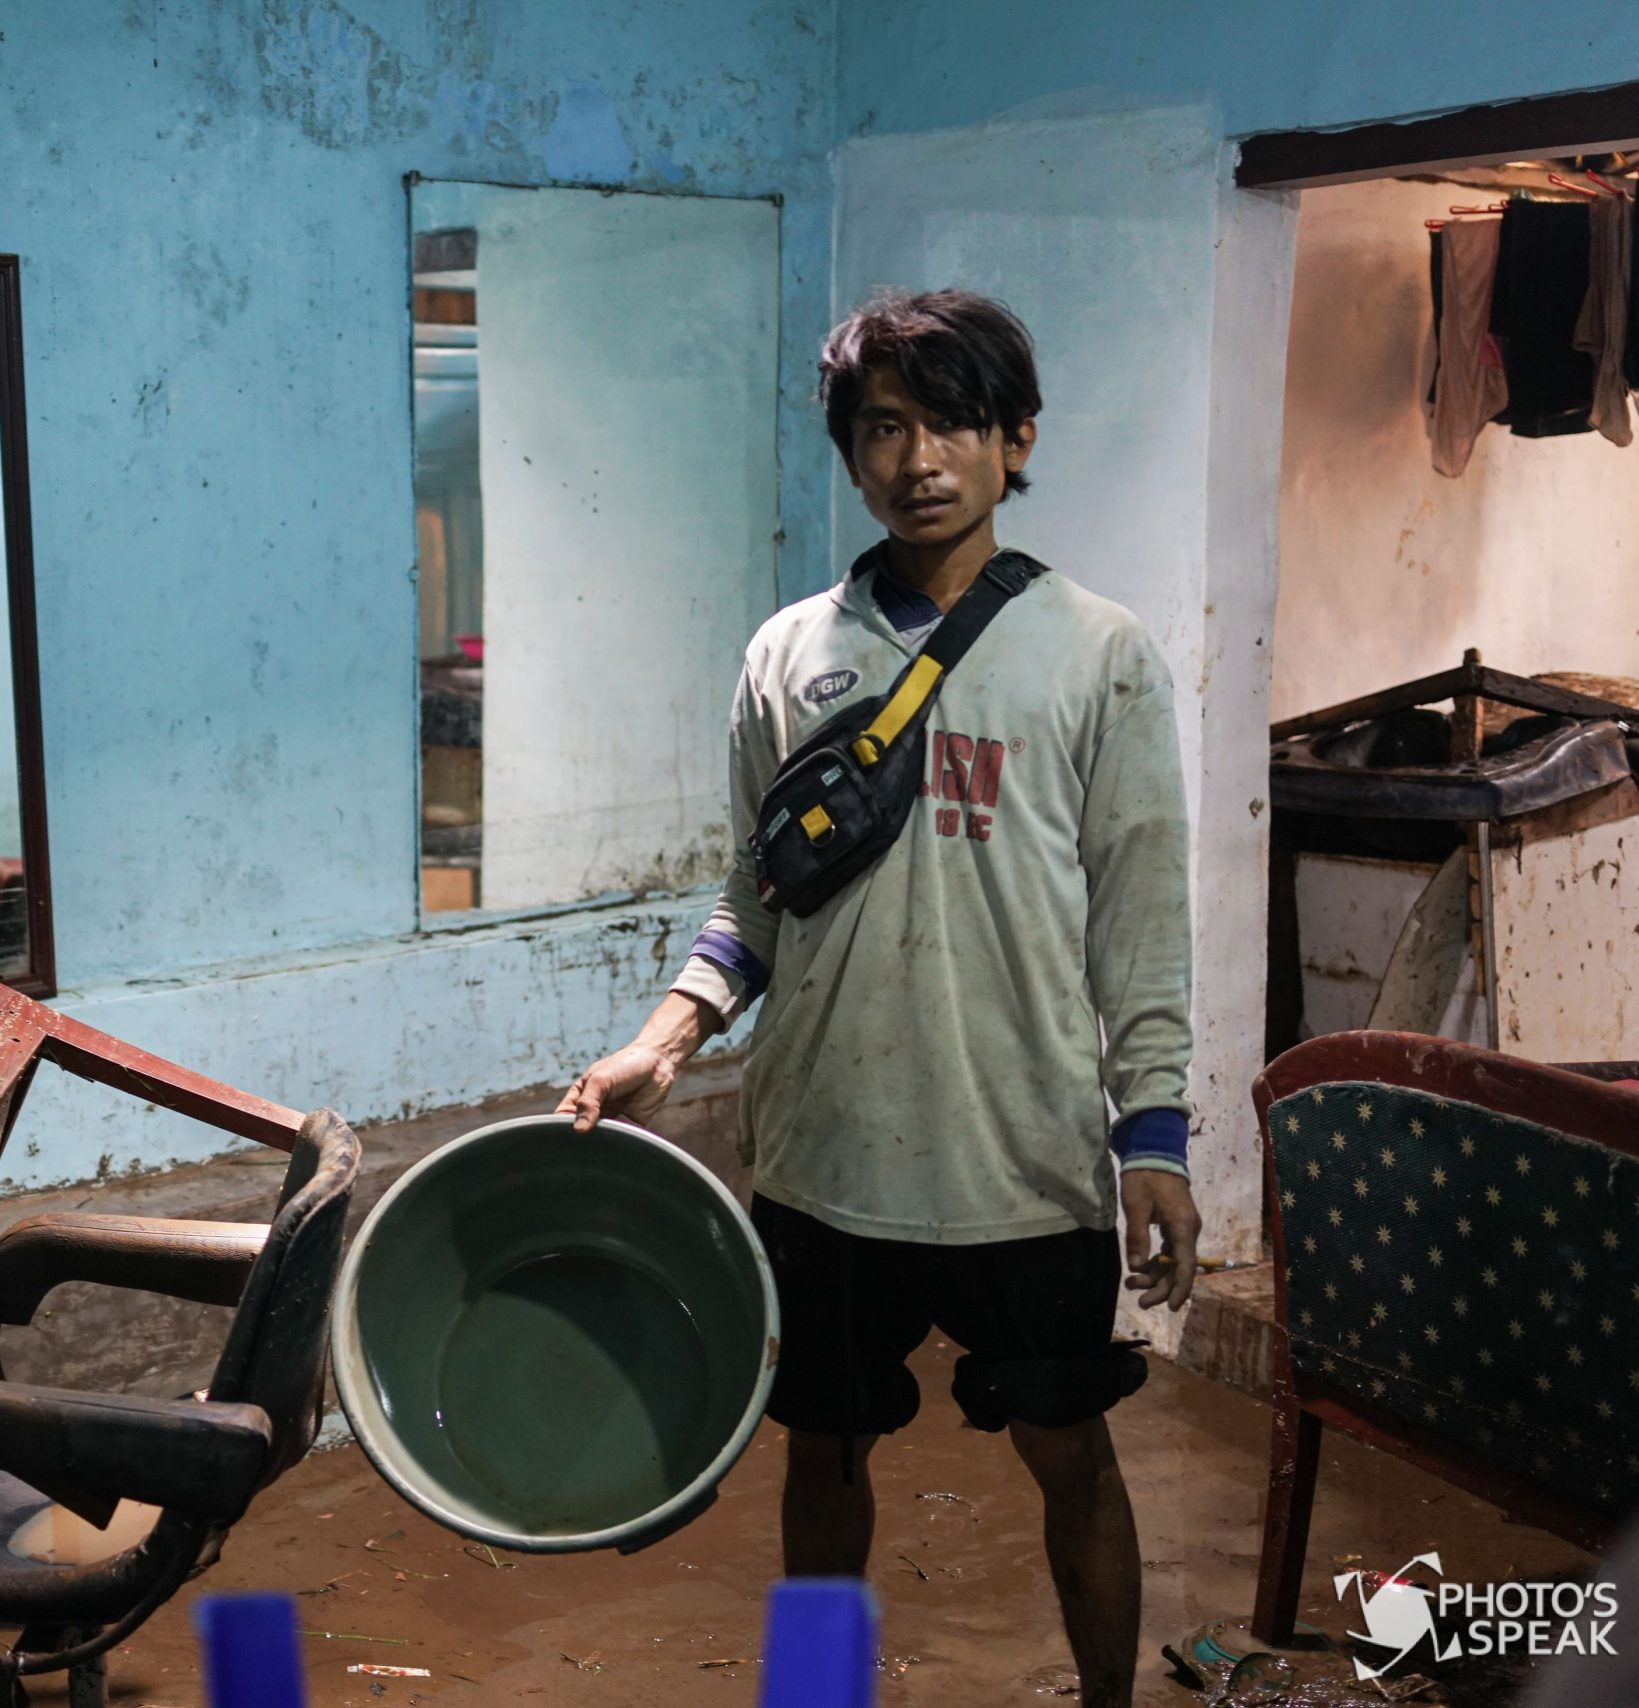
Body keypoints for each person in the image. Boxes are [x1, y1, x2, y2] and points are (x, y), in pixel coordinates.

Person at [559, 290, 1202, 1708]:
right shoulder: (789, 654)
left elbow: (1143, 919)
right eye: (884, 428)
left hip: (1021, 1158)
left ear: (1015, 438)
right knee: (824, 1452)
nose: (918, 459)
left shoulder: (1099, 654)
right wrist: (663, 1041)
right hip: (826, 1156)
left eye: (952, 422)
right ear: (851, 456)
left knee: (1070, 1452)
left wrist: (1152, 1137)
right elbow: (754, 897)